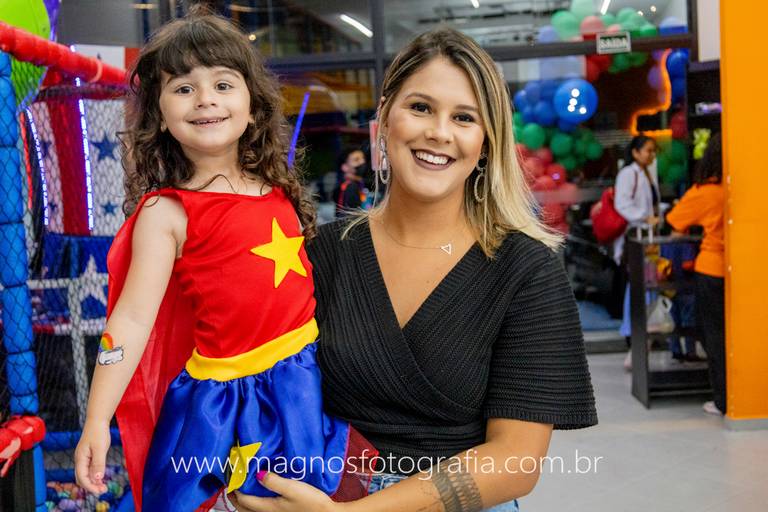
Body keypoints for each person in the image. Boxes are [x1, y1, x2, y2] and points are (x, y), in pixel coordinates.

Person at [231, 27, 597, 512]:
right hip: (324, 492)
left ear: (486, 142)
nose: (439, 132)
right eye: (421, 107)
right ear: (385, 117)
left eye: (464, 117)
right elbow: (253, 383)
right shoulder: (318, 255)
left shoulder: (526, 271)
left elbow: (515, 462)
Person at [73, 9, 374, 511]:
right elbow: (130, 321)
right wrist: (97, 418)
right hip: (224, 403)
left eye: (222, 84)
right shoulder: (166, 212)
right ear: (159, 115)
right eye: (183, 88)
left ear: (252, 107)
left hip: (305, 383)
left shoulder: (278, 188)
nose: (205, 98)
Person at [666, 132, 726, 415]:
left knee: (713, 334)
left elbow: (675, 224)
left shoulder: (705, 192)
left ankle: (723, 399)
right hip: (746, 271)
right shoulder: (742, 188)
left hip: (712, 269)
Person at [614, 135, 660, 370]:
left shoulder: (647, 173)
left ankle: (643, 342)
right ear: (635, 152)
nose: (651, 155)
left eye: (653, 151)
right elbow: (622, 205)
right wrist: (644, 217)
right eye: (648, 150)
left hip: (648, 238)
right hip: (636, 237)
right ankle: (634, 340)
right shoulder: (628, 174)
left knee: (649, 286)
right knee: (638, 288)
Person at [333, 147, 370, 216]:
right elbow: (351, 216)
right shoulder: (350, 187)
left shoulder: (359, 184)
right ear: (345, 167)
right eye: (356, 160)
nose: (362, 162)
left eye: (363, 158)